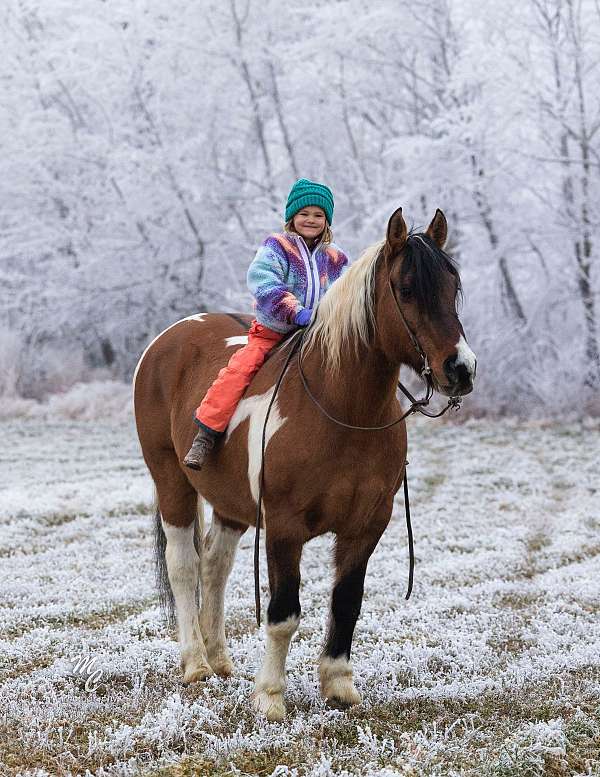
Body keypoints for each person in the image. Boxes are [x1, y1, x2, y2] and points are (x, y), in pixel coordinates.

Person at [183, 178, 350, 470]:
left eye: (318, 215)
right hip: (274, 332)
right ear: (292, 217)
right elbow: (263, 281)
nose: (311, 220)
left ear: (327, 220)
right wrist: (295, 311)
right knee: (239, 371)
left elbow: (347, 292)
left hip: (319, 336)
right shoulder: (278, 247)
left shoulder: (335, 257)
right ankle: (206, 434)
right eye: (304, 213)